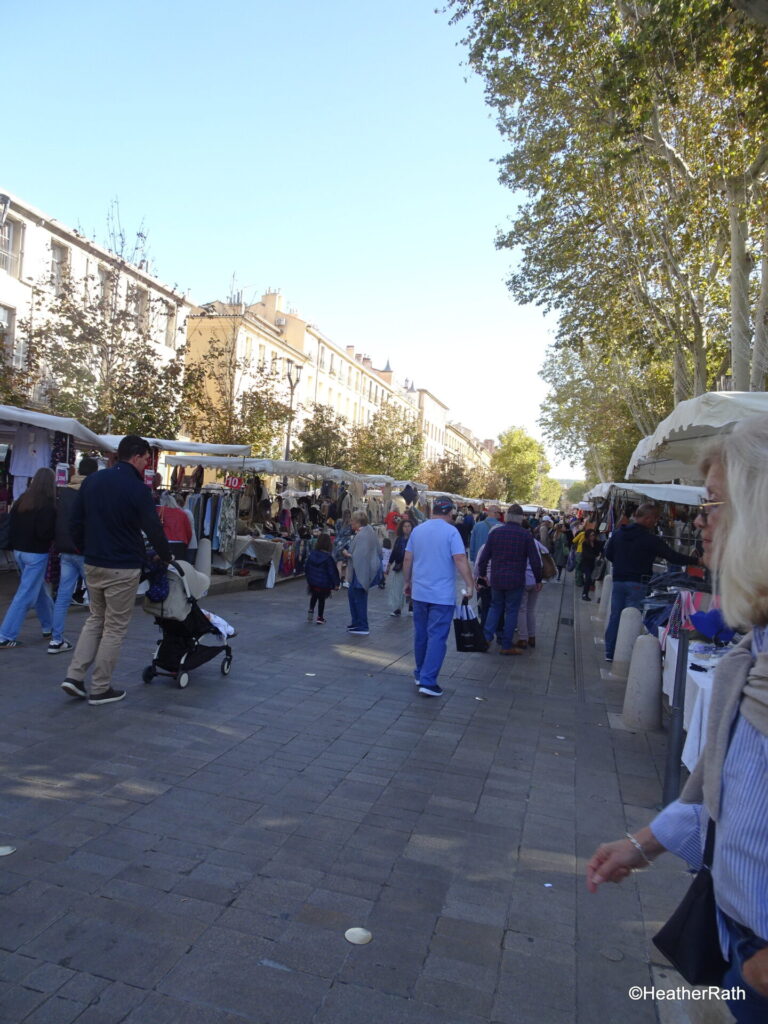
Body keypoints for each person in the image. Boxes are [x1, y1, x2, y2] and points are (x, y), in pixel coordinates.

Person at [587, 417, 768, 1023]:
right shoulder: (755, 653)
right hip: (733, 936)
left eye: (712, 503)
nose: (699, 520)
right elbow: (737, 802)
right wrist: (645, 844)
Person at [60, 435, 172, 706]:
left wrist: (85, 548)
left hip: (94, 561)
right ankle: (100, 687)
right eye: (146, 458)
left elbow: (74, 521)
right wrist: (166, 556)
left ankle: (74, 676)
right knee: (114, 627)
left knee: (95, 619)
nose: (147, 463)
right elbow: (152, 527)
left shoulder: (93, 481)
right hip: (123, 566)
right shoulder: (137, 489)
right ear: (136, 456)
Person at [603, 502, 698, 662]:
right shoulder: (650, 539)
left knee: (616, 616)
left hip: (619, 581)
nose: (656, 522)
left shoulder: (619, 533)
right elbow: (672, 556)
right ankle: (624, 654)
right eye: (655, 518)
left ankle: (610, 652)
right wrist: (697, 561)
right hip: (637, 582)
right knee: (633, 617)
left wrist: (621, 563)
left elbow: (608, 554)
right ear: (647, 519)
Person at [403, 496, 474, 697]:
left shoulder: (418, 530)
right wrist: (470, 584)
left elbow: (408, 558)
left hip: (420, 592)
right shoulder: (451, 532)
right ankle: (428, 680)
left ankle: (420, 673)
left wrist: (407, 582)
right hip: (441, 595)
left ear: (433, 510)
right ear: (450, 512)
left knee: (421, 634)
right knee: (437, 636)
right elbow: (460, 559)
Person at [0, 467, 57, 649]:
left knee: (37, 589)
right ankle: (5, 635)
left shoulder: (22, 500)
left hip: (20, 551)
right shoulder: (48, 504)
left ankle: (49, 626)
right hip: (36, 552)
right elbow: (44, 532)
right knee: (25, 594)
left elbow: (12, 525)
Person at [476, 504, 543, 655]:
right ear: (521, 519)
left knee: (495, 607)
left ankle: (486, 638)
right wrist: (538, 579)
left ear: (506, 517)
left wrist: (482, 575)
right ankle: (506, 645)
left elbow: (484, 557)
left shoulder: (495, 533)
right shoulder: (526, 536)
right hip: (516, 580)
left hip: (497, 579)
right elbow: (535, 561)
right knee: (512, 611)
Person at [49, 456, 99, 654]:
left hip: (65, 549)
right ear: (94, 472)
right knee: (95, 599)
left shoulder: (65, 491)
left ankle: (55, 639)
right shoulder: (92, 492)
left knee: (62, 596)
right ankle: (95, 641)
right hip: (85, 550)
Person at [343, 511, 382, 636]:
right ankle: (357, 622)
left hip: (361, 573)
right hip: (361, 571)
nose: (351, 523)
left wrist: (347, 554)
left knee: (358, 599)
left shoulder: (363, 535)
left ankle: (362, 625)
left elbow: (360, 555)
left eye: (352, 521)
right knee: (354, 597)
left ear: (358, 522)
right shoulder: (368, 532)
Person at [514, 528, 550, 649]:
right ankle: (532, 637)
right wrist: (539, 579)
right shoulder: (535, 542)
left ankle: (523, 638)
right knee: (531, 610)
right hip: (535, 579)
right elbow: (546, 551)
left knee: (522, 609)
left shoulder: (520, 542)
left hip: (524, 579)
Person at [304, 533, 340, 624]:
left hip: (313, 582)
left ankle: (311, 612)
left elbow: (307, 568)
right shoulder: (328, 558)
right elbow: (332, 572)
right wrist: (336, 583)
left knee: (313, 596)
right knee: (321, 600)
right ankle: (320, 617)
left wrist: (309, 578)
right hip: (323, 584)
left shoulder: (312, 554)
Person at [386, 519, 412, 616]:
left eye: (409, 526)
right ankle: (397, 608)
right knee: (397, 588)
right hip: (399, 566)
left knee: (410, 587)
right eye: (405, 526)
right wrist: (389, 564)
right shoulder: (399, 539)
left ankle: (411, 607)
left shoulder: (414, 539)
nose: (407, 528)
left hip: (411, 567)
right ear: (401, 528)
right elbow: (394, 552)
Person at [579, 529, 602, 602]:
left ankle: (586, 593)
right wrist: (594, 557)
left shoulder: (597, 543)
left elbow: (600, 551)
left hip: (593, 564)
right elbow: (585, 554)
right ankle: (584, 594)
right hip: (586, 563)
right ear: (588, 536)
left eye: (594, 535)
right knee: (588, 577)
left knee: (590, 579)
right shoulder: (585, 543)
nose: (593, 537)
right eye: (591, 535)